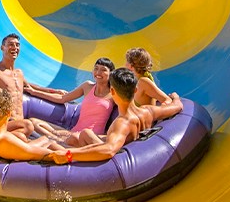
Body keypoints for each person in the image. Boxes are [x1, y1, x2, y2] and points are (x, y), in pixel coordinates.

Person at [45, 67, 183, 165]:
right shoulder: (148, 111)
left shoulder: (122, 123)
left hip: (117, 157)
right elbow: (178, 106)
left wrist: (69, 155)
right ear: (135, 90)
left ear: (112, 91)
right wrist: (176, 97)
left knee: (54, 144)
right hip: (128, 143)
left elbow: (109, 150)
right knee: (81, 135)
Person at [0, 33, 70, 141]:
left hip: (20, 123)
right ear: (2, 47)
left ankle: (66, 141)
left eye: (17, 45)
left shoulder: (19, 73)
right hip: (4, 124)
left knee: (41, 127)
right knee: (29, 126)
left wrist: (53, 91)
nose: (15, 48)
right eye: (11, 44)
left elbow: (31, 87)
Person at [46, 57, 118, 147]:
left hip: (92, 136)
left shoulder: (114, 93)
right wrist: (34, 91)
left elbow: (127, 107)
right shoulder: (87, 86)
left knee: (54, 140)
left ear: (111, 73)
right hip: (74, 132)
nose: (98, 73)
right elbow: (62, 98)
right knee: (37, 123)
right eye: (96, 68)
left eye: (103, 70)